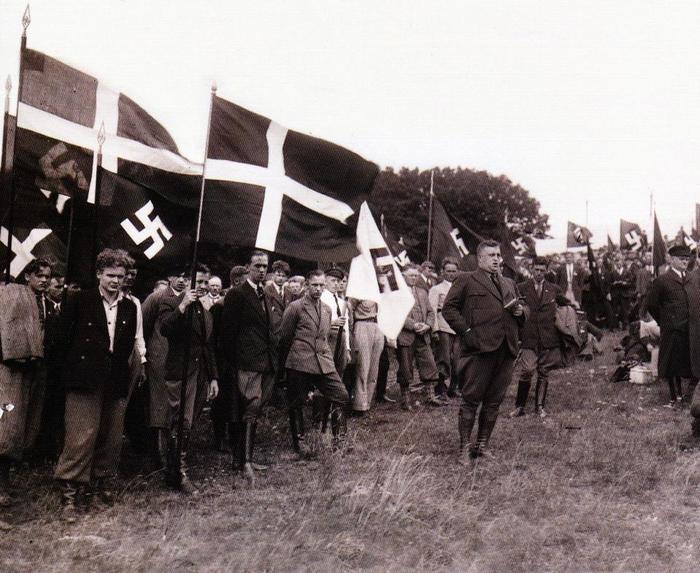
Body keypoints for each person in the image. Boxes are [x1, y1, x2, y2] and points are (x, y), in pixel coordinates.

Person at [54, 249, 139, 521]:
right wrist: (68, 376)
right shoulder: (80, 300)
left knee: (111, 437)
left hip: (114, 380)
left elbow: (127, 348)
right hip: (84, 378)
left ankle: (99, 487)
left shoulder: (129, 307)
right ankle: (71, 494)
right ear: (99, 274)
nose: (116, 281)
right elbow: (61, 342)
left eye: (121, 276)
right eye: (111, 275)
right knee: (81, 437)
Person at [442, 240, 528, 462]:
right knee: (470, 399)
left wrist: (520, 312)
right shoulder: (466, 280)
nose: (497, 259)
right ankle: (464, 448)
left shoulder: (509, 282)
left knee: (494, 401)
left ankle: (482, 445)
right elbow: (449, 309)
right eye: (491, 255)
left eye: (498, 255)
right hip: (479, 349)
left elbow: (521, 309)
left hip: (506, 349)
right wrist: (467, 333)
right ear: (480, 259)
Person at [160, 263, 219, 493]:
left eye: (206, 282)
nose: (203, 287)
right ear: (188, 282)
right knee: (180, 422)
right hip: (180, 372)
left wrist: (213, 377)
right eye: (199, 282)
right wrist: (182, 305)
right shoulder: (174, 304)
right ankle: (177, 472)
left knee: (189, 423)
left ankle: (176, 468)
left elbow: (208, 346)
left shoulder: (205, 311)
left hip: (199, 374)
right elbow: (165, 329)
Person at [221, 251, 279, 485]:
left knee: (254, 408)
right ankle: (243, 460)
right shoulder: (237, 294)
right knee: (250, 406)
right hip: (246, 361)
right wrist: (232, 364)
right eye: (257, 266)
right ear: (248, 267)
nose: (262, 270)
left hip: (264, 360)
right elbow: (227, 333)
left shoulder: (263, 293)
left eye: (265, 266)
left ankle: (244, 458)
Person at [0, 259, 53, 507]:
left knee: (25, 426)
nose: (44, 280)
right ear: (28, 276)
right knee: (6, 425)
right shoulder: (12, 296)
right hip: (12, 368)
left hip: (36, 370)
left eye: (47, 276)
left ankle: (8, 479)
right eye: (39, 275)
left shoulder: (49, 304)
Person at [279, 270, 350, 453]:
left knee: (341, 395)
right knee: (296, 402)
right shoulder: (295, 307)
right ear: (306, 286)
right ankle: (300, 441)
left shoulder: (326, 309)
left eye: (321, 285)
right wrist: (289, 363)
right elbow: (285, 337)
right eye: (314, 285)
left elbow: (324, 337)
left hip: (323, 361)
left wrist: (328, 359)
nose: (318, 289)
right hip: (300, 361)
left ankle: (339, 441)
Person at [141, 267, 187, 471]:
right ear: (169, 276)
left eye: (186, 277)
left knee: (177, 408)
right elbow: (143, 324)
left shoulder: (190, 299)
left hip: (180, 359)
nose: (182, 280)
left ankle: (175, 454)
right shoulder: (157, 298)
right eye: (178, 275)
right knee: (159, 407)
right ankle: (159, 457)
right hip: (160, 358)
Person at [647, 245, 700, 408]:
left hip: (690, 328)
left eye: (687, 259)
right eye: (681, 259)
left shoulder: (692, 278)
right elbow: (652, 305)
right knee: (672, 362)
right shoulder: (662, 280)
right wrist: (665, 321)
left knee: (688, 360)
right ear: (672, 260)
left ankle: (688, 395)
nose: (685, 262)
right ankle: (674, 397)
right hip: (672, 329)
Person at [510, 257, 561, 418]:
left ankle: (540, 406)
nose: (539, 273)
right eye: (536, 270)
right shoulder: (521, 288)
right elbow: (513, 309)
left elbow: (567, 307)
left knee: (544, 371)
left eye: (542, 270)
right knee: (527, 370)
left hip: (547, 337)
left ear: (546, 271)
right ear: (531, 269)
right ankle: (520, 406)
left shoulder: (554, 289)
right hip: (528, 335)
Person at [397, 265, 442, 410]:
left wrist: (428, 326)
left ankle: (430, 396)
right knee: (406, 367)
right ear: (403, 276)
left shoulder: (422, 292)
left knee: (429, 363)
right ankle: (406, 400)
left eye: (416, 275)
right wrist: (414, 325)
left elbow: (430, 311)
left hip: (423, 335)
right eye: (410, 275)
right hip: (406, 335)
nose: (414, 278)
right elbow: (397, 314)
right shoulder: (397, 294)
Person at [428, 258, 459, 397]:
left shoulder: (460, 287)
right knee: (444, 358)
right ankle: (440, 389)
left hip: (458, 327)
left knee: (458, 359)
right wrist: (434, 329)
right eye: (448, 271)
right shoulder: (437, 289)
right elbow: (432, 309)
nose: (451, 274)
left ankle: (453, 387)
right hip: (443, 326)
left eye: (454, 271)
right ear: (442, 272)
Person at [348, 297, 383, 413]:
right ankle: (359, 404)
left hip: (377, 325)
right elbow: (350, 309)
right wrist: (352, 330)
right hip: (362, 324)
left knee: (374, 366)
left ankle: (368, 401)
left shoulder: (378, 286)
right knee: (363, 365)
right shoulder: (358, 289)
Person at [320, 268, 351, 380]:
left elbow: (345, 326)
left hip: (341, 338)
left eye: (338, 281)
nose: (336, 284)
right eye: (333, 281)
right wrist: (333, 322)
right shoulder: (321, 298)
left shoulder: (342, 302)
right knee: (327, 369)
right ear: (325, 281)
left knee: (340, 369)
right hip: (328, 338)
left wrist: (347, 349)